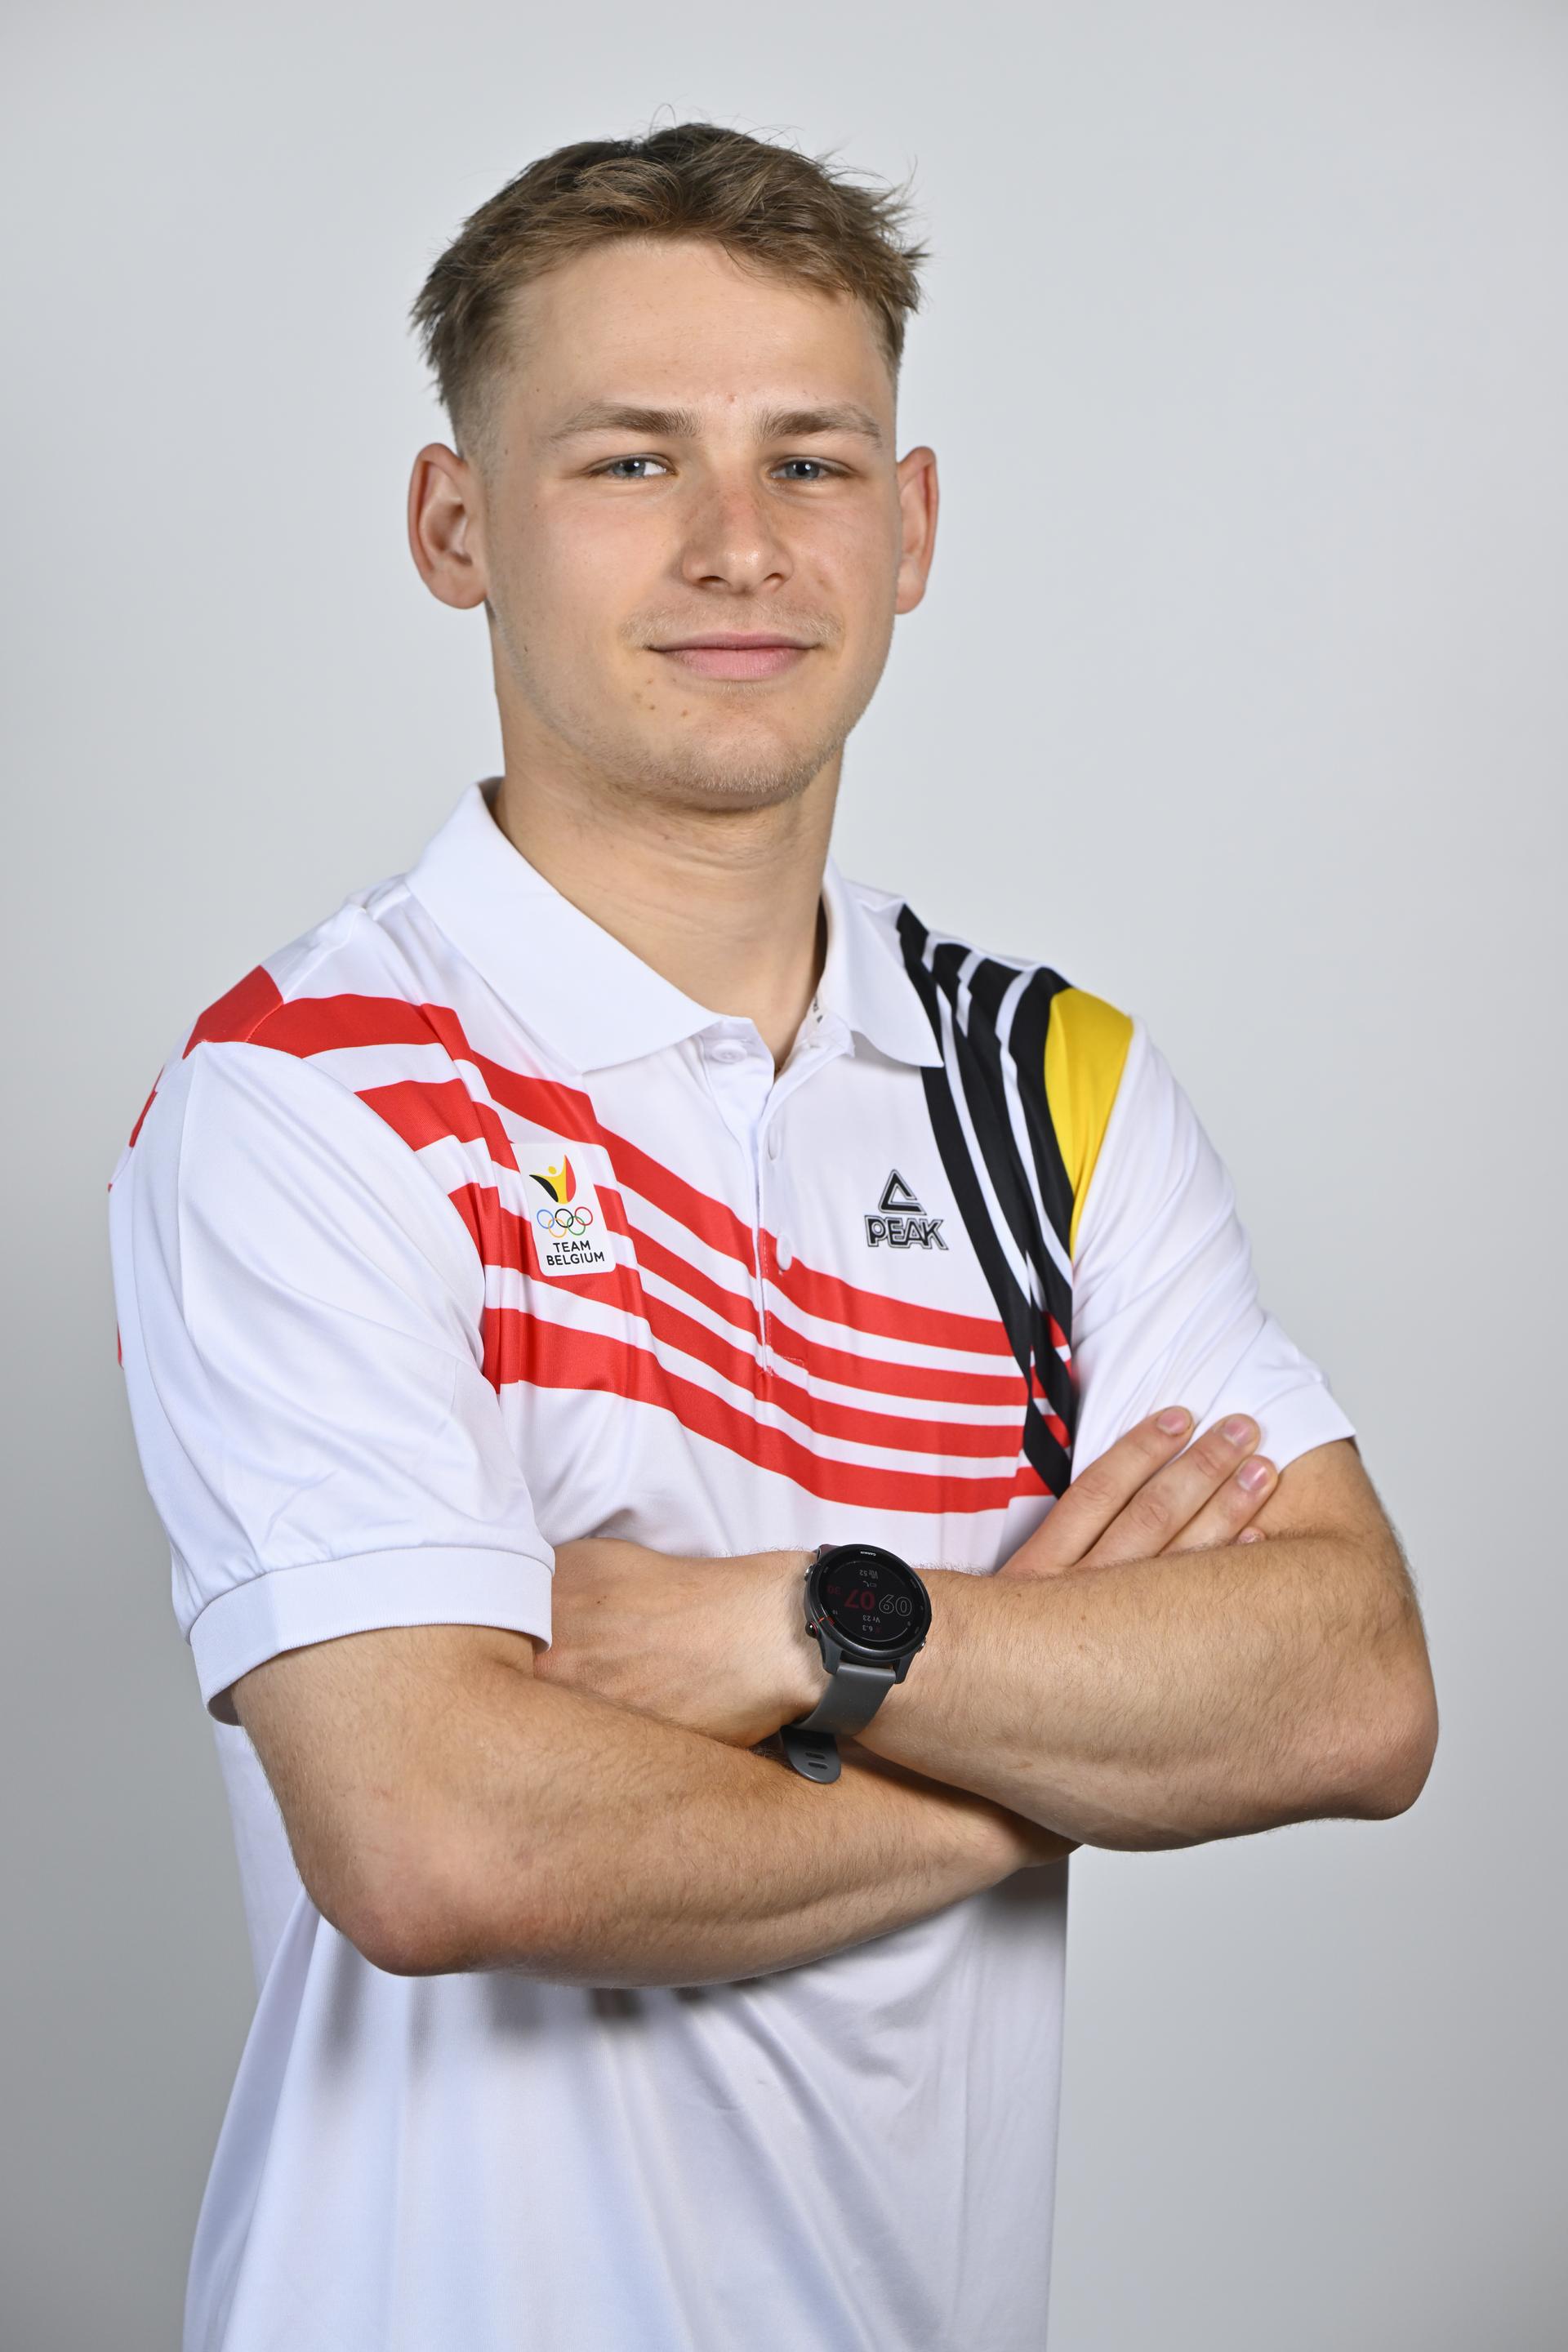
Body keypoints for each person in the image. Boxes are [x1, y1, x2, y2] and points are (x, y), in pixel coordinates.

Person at [108, 122, 1437, 2352]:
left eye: (809, 463)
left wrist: (808, 1630)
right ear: (456, 526)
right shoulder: (308, 1096)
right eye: (632, 461)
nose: (740, 544)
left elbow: (1351, 1686)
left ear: (909, 529)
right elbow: (446, 1842)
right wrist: (1032, 1778)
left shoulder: (1054, 1090)